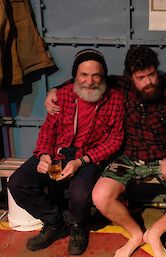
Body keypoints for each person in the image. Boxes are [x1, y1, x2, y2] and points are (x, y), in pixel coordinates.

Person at [45, 46, 166, 257]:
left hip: (164, 158)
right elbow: (87, 81)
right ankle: (135, 234)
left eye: (151, 75)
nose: (148, 81)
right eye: (141, 77)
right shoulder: (121, 86)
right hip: (130, 157)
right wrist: (54, 91)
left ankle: (155, 233)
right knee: (101, 196)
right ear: (130, 77)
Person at [8, 49, 124, 255]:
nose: (90, 81)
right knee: (17, 183)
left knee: (79, 194)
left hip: (88, 156)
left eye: (96, 75)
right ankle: (54, 222)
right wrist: (44, 154)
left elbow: (115, 140)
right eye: (84, 75)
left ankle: (77, 225)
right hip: (57, 153)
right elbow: (48, 129)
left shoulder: (115, 99)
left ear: (103, 75)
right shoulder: (62, 95)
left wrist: (82, 161)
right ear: (75, 76)